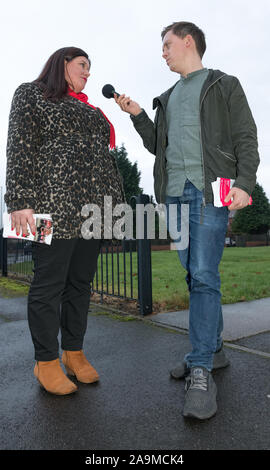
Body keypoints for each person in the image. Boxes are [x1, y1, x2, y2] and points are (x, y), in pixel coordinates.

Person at [114, 22, 260, 419]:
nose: (162, 52)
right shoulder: (169, 96)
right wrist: (139, 114)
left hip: (209, 190)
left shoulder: (222, 84)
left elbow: (246, 135)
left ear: (188, 41)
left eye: (167, 44)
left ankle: (200, 369)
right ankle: (213, 351)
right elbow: (155, 145)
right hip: (174, 195)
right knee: (192, 273)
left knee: (203, 274)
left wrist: (245, 183)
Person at [5, 47, 125, 395]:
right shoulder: (32, 93)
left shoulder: (89, 108)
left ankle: (73, 353)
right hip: (48, 206)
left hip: (92, 210)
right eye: (82, 66)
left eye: (90, 68)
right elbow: (20, 146)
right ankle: (45, 361)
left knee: (80, 283)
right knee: (48, 284)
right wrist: (19, 201)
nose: (88, 72)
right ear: (63, 64)